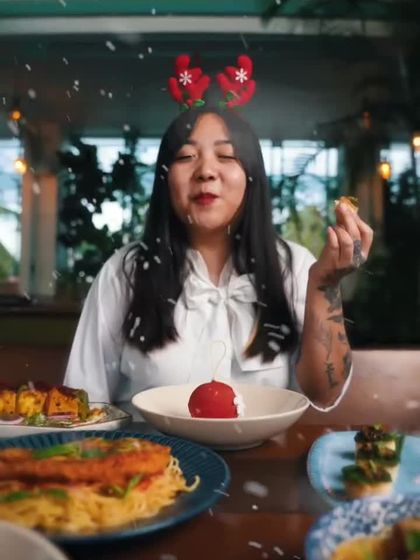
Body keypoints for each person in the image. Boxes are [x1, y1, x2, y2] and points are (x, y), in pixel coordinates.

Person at [64, 105, 373, 410]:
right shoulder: (125, 271)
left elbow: (324, 394)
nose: (206, 171)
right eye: (186, 156)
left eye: (226, 156)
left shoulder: (295, 266)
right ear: (164, 178)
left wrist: (325, 285)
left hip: (263, 446)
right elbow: (85, 400)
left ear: (251, 175)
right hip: (145, 445)